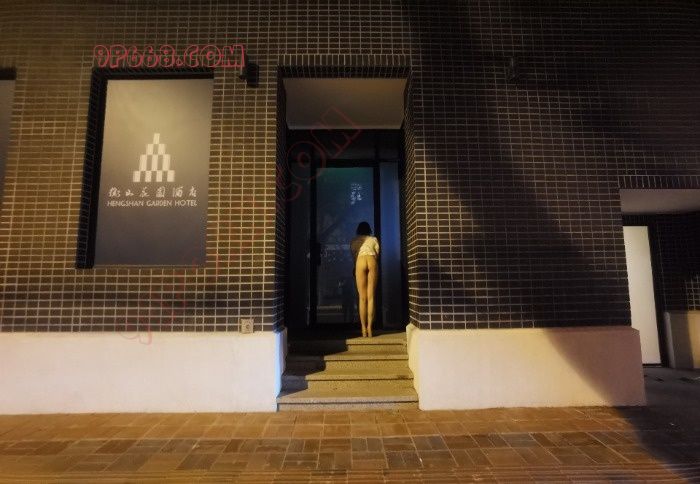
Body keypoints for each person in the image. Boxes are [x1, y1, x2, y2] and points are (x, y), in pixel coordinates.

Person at [350, 222, 380, 337]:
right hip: (371, 260)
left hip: (360, 261)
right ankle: (370, 328)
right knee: (371, 297)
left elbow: (354, 256)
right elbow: (377, 254)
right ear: (369, 230)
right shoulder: (373, 239)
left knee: (362, 298)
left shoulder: (354, 241)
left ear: (358, 230)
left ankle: (363, 328)